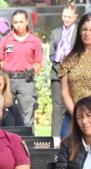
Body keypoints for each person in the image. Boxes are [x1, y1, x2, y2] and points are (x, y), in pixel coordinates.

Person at [0, 9, 43, 127]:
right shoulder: (6, 40)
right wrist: (6, 74)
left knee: (27, 116)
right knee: (5, 114)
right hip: (8, 81)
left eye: (21, 22)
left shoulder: (35, 41)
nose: (18, 25)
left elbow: (38, 63)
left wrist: (31, 73)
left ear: (27, 21)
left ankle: (28, 143)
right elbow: (1, 59)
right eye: (15, 22)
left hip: (26, 81)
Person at [60, 12, 91, 141]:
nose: (87, 33)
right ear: (79, 32)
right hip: (72, 116)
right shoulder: (69, 59)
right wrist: (78, 116)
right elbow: (65, 92)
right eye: (84, 29)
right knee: (68, 156)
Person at [50, 4, 78, 145]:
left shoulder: (80, 32)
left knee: (74, 106)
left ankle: (74, 138)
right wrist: (60, 71)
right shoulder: (55, 32)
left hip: (75, 77)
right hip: (57, 76)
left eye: (69, 16)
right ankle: (55, 140)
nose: (66, 19)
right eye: (64, 16)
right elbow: (51, 55)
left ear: (75, 17)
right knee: (57, 107)